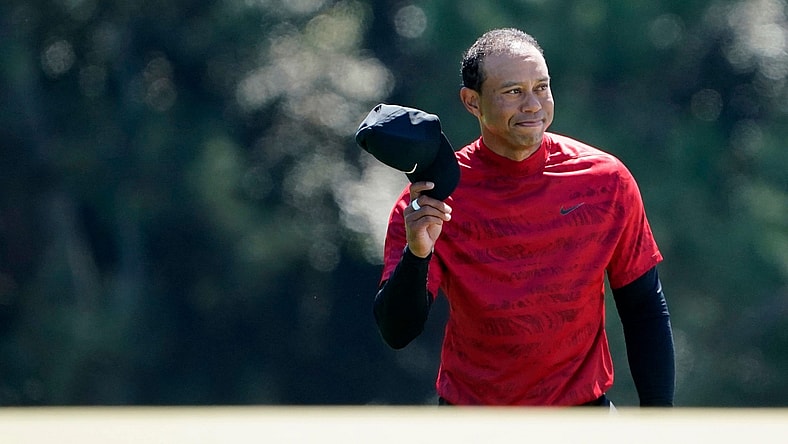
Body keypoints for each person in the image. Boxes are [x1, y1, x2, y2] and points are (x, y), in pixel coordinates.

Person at [371, 28, 675, 407]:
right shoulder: (431, 201)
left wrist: (659, 421)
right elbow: (397, 331)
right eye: (513, 92)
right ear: (472, 101)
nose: (533, 104)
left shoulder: (606, 181)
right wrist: (418, 255)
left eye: (542, 87)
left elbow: (643, 307)